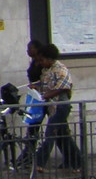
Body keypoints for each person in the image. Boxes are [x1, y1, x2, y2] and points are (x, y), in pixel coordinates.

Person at [31, 42, 83, 170]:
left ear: (50, 58)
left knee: (50, 134)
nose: (41, 63)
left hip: (60, 106)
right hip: (52, 107)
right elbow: (44, 84)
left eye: (42, 60)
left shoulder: (61, 69)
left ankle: (39, 163)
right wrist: (36, 86)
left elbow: (62, 87)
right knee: (63, 136)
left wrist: (45, 96)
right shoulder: (46, 70)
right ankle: (77, 163)